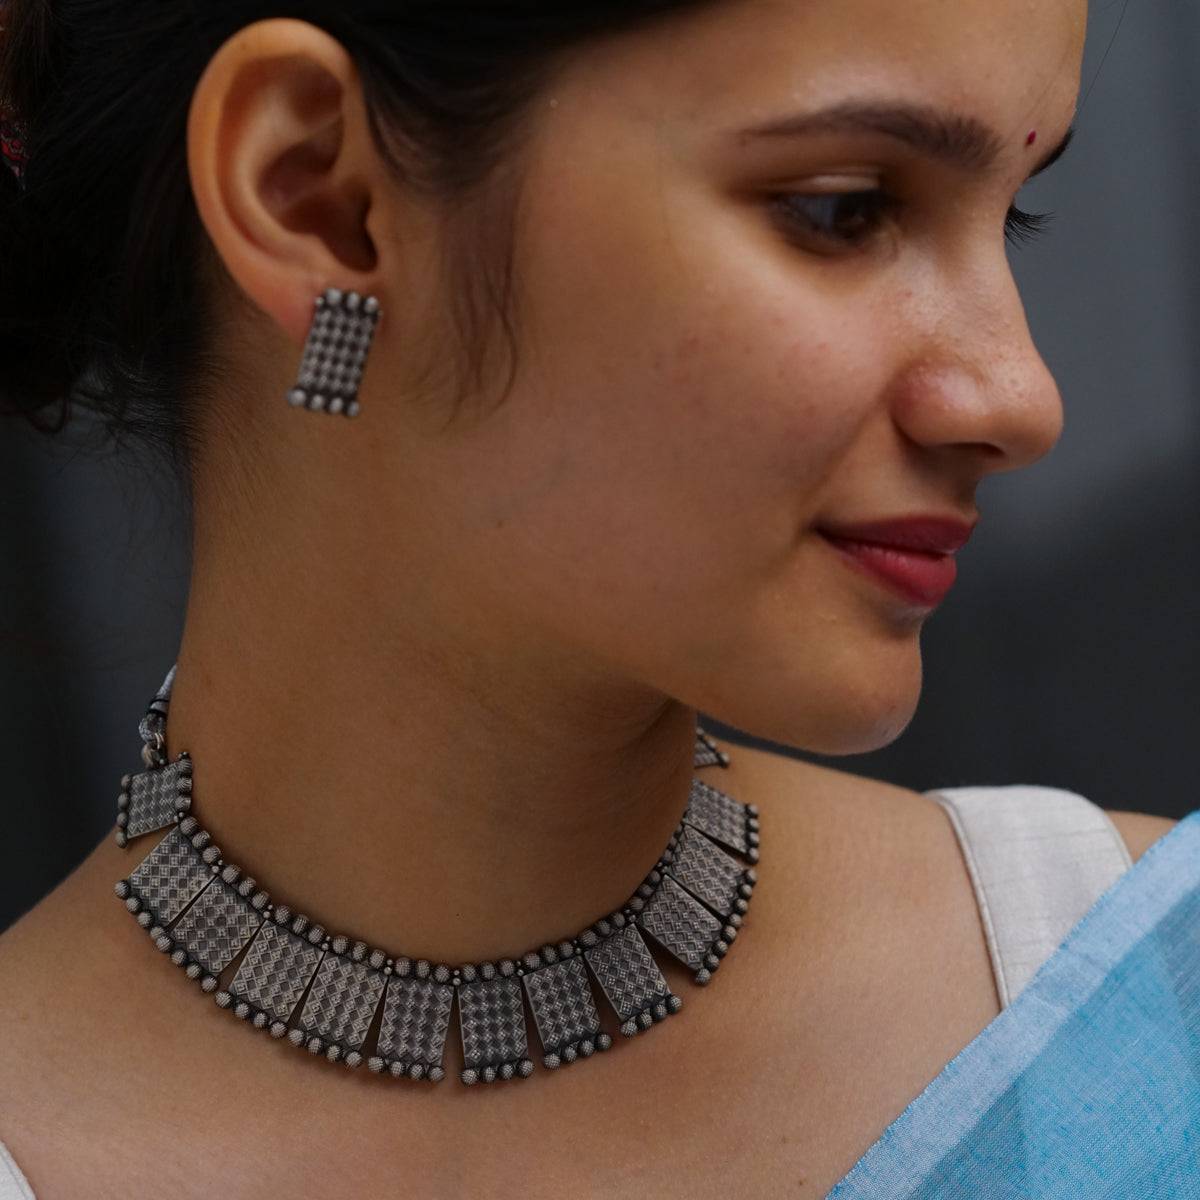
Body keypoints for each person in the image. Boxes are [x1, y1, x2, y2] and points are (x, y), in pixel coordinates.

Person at [0, 0, 1195, 1196]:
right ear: (318, 198)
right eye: (843, 209)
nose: (1018, 396)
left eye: (1017, 215)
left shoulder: (1147, 997)